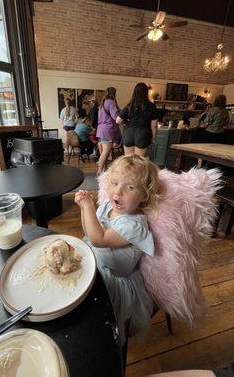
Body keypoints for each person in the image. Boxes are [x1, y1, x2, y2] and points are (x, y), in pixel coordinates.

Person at [74, 154, 160, 346]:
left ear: (144, 195)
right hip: (96, 259)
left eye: (129, 187)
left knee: (97, 313)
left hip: (114, 277)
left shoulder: (135, 225)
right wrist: (83, 209)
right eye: (114, 183)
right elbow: (89, 232)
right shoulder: (107, 205)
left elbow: (99, 239)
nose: (118, 192)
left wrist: (88, 206)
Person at [116, 83, 158, 157]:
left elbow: (118, 121)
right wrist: (153, 139)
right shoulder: (151, 106)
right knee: (139, 162)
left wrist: (127, 123)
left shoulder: (130, 105)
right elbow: (154, 125)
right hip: (143, 133)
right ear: (146, 93)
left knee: (128, 161)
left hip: (129, 133)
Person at [96, 87, 121, 174]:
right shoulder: (111, 102)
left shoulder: (102, 103)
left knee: (104, 152)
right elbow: (115, 117)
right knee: (106, 152)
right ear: (114, 93)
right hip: (107, 130)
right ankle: (99, 172)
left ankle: (104, 169)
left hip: (101, 130)